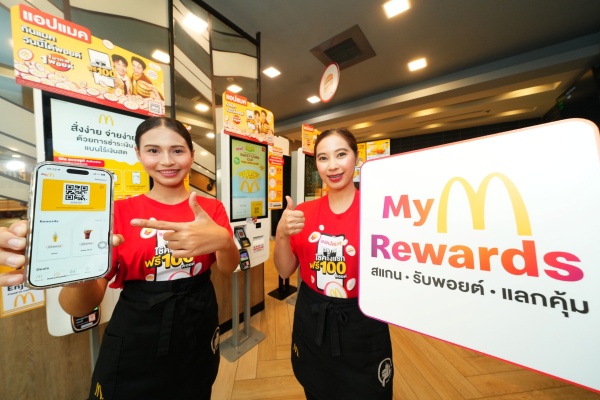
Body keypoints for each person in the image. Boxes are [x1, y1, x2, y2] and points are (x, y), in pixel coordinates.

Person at [0, 117, 240, 400]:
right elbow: (80, 307)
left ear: (191, 154)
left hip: (198, 322)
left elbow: (228, 268)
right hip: (137, 331)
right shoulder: (117, 213)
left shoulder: (211, 208)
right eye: (153, 150)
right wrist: (76, 275)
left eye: (177, 150)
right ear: (138, 154)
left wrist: (225, 241)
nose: (167, 160)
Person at [274, 128, 393, 400]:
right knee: (316, 390)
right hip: (312, 317)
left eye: (341, 154)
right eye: (323, 158)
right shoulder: (303, 213)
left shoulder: (380, 211)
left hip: (362, 322)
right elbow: (284, 270)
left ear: (356, 158)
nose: (333, 166)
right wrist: (281, 233)